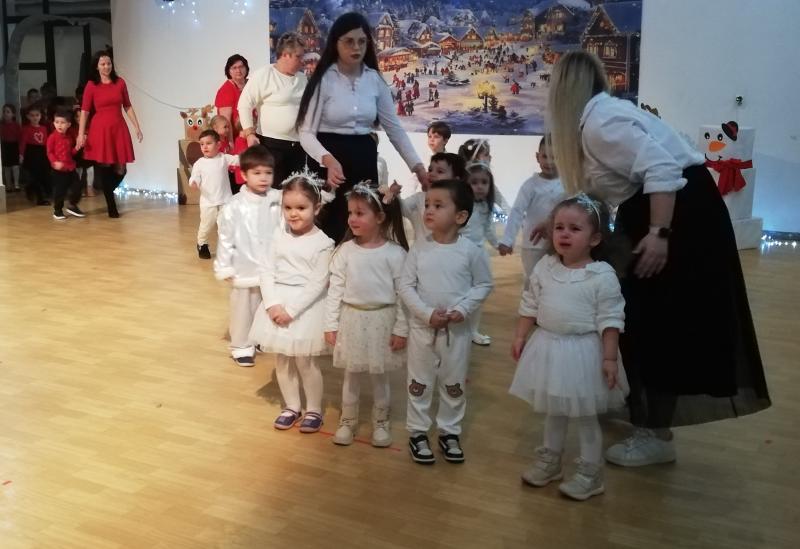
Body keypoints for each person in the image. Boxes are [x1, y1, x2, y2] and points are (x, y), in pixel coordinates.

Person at [546, 51, 770, 467]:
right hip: (669, 214)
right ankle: (645, 414)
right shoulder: (601, 118)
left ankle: (655, 433)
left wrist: (658, 233)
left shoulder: (600, 123)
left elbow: (663, 169)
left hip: (677, 220)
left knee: (656, 323)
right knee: (645, 317)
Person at [510, 194, 627, 501]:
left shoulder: (601, 276)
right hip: (548, 348)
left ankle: (591, 473)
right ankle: (550, 460)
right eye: (559, 227)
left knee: (586, 417)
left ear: (595, 238)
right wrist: (521, 335)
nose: (564, 234)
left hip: (584, 354)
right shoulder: (545, 267)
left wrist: (609, 358)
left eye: (575, 229)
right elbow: (530, 304)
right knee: (554, 411)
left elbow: (610, 319)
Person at [296, 12, 427, 243]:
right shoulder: (324, 80)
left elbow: (395, 130)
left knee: (362, 223)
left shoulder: (375, 80)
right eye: (349, 41)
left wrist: (418, 168)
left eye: (362, 41)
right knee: (330, 227)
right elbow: (305, 133)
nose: (356, 47)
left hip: (363, 158)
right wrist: (327, 160)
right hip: (328, 161)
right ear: (335, 43)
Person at [399, 179, 493, 464]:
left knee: (453, 383)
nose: (428, 210)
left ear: (460, 216)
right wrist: (427, 314)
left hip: (456, 332)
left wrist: (463, 309)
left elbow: (484, 284)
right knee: (419, 381)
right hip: (422, 330)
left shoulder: (471, 251)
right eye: (427, 204)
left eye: (438, 205)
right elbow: (405, 286)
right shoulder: (418, 248)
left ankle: (449, 431)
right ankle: (418, 432)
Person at [249, 172, 335, 433]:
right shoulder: (277, 236)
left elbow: (318, 283)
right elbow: (266, 270)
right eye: (288, 208)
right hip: (277, 304)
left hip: (305, 310)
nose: (293, 214)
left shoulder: (323, 243)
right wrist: (272, 304)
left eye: (301, 208)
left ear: (316, 208)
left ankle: (314, 409)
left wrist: (292, 311)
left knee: (306, 363)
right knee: (283, 360)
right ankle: (291, 406)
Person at [324, 181, 408, 448]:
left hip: (382, 321)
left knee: (380, 376)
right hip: (352, 320)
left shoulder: (395, 254)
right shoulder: (345, 252)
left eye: (360, 213)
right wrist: (330, 324)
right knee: (351, 374)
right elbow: (335, 290)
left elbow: (403, 295)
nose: (352, 219)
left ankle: (380, 421)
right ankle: (348, 420)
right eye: (350, 212)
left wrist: (401, 329)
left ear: (380, 217)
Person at [214, 146, 283, 367]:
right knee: (243, 309)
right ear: (244, 175)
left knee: (266, 304)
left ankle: (260, 337)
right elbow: (225, 237)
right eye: (257, 173)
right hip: (244, 267)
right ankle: (241, 345)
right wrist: (225, 265)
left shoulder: (277, 199)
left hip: (271, 266)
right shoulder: (235, 205)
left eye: (268, 173)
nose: (263, 178)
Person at [77, 50, 143, 218]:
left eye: (108, 63)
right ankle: (111, 205)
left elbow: (127, 105)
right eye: (103, 64)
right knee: (105, 167)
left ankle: (107, 191)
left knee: (121, 169)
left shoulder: (120, 83)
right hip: (100, 129)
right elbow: (84, 111)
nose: (106, 66)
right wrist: (80, 133)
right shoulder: (91, 85)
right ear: (97, 66)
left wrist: (137, 126)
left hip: (118, 128)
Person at [238, 32, 308, 190]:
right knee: (273, 193)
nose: (302, 61)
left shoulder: (302, 79)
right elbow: (244, 103)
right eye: (298, 56)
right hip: (271, 145)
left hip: (298, 145)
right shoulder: (264, 75)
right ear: (286, 55)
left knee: (295, 192)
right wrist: (249, 133)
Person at [499, 136, 565, 289]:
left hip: (558, 243)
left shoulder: (566, 184)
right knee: (533, 280)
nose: (549, 162)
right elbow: (517, 211)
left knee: (555, 280)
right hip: (532, 246)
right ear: (537, 157)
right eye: (545, 156)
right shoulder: (530, 185)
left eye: (555, 157)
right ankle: (529, 305)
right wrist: (507, 240)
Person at [461, 160, 499, 346]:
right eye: (474, 182)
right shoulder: (461, 206)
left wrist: (499, 245)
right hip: (461, 255)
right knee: (461, 293)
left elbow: (488, 229)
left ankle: (473, 330)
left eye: (484, 182)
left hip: (479, 255)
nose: (480, 187)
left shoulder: (486, 207)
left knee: (479, 293)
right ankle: (460, 329)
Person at [189, 129, 238, 259]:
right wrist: (194, 182)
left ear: (218, 145)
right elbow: (195, 176)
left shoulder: (223, 158)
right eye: (202, 144)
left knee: (224, 226)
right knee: (206, 226)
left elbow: (237, 160)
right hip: (208, 202)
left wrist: (250, 157)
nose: (205, 147)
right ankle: (202, 244)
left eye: (209, 143)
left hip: (225, 200)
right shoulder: (199, 163)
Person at [396, 152, 465, 243]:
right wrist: (395, 194)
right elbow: (402, 209)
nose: (432, 174)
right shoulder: (419, 197)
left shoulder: (459, 203)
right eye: (430, 170)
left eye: (440, 171)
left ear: (455, 180)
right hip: (422, 250)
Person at [46, 107, 85, 220]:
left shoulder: (69, 138)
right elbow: (49, 152)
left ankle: (72, 205)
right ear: (54, 123)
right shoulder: (52, 137)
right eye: (57, 122)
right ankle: (57, 210)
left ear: (68, 124)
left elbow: (70, 153)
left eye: (62, 122)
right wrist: (55, 162)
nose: (59, 125)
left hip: (70, 168)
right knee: (60, 191)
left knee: (78, 186)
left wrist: (77, 147)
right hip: (58, 170)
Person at [19, 104, 50, 205]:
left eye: (37, 115)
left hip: (42, 153)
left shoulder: (44, 128)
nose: (35, 117)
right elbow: (23, 142)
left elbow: (46, 142)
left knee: (43, 174)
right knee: (34, 176)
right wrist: (21, 155)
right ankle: (39, 198)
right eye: (32, 115)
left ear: (40, 116)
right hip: (31, 153)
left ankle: (40, 193)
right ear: (28, 116)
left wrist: (49, 154)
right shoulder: (26, 128)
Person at [215, 54, 249, 131]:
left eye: (241, 67)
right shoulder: (226, 90)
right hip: (237, 135)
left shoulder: (252, 84)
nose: (238, 71)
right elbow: (226, 123)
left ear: (246, 68)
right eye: (234, 68)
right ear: (229, 71)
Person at [1, 104, 21, 192]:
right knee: (6, 167)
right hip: (5, 146)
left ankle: (16, 184)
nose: (5, 113)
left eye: (8, 112)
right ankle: (8, 185)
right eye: (4, 111)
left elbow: (20, 138)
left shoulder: (16, 125)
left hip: (14, 146)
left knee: (15, 167)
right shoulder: (1, 125)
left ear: (13, 114)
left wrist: (20, 152)